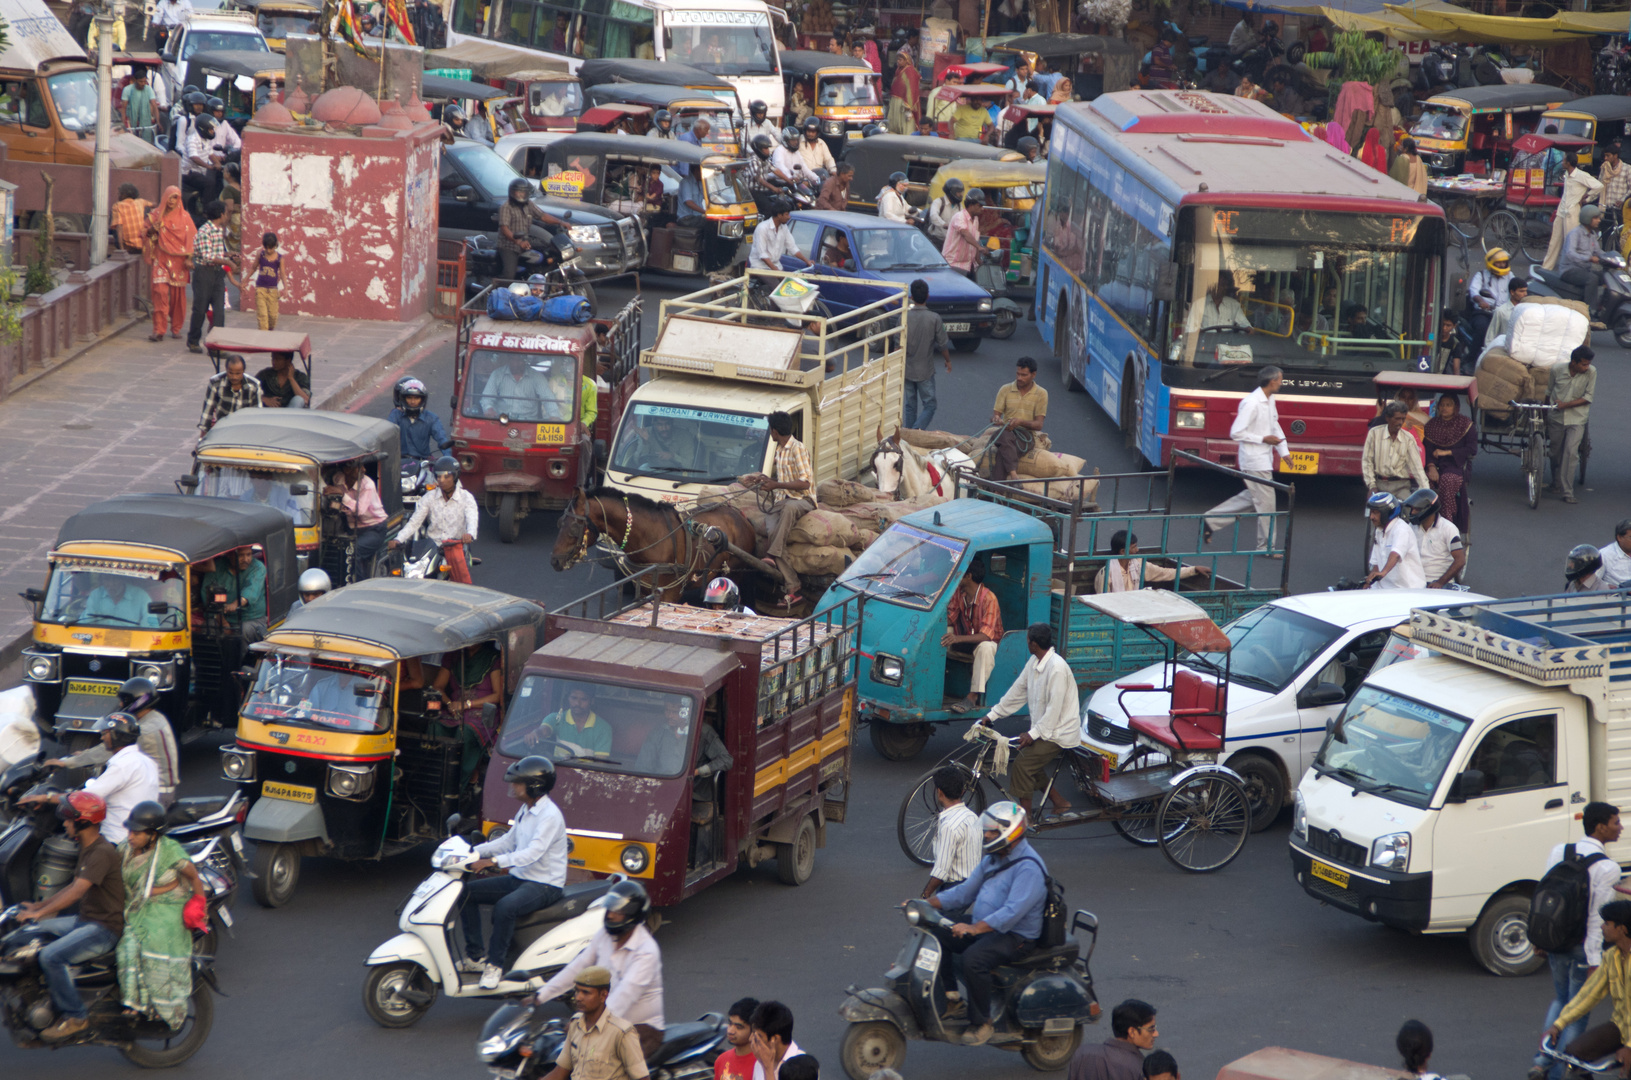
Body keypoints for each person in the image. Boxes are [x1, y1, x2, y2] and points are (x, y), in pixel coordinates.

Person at [924, 801, 1047, 1045]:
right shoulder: (993, 858)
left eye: (992, 831)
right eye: (987, 830)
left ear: (1009, 833)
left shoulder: (1028, 868)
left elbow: (1011, 913)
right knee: (936, 930)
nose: (986, 835)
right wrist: (928, 904)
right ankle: (952, 999)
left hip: (1016, 936)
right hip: (987, 926)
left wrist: (973, 928)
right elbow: (964, 892)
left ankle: (982, 1023)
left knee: (974, 959)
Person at [13, 792, 125, 1042]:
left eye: (68, 820)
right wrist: (38, 908)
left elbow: (77, 892)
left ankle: (77, 1017)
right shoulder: (88, 848)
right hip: (86, 919)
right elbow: (71, 886)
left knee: (50, 956)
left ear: (82, 822)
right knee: (32, 933)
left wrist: (40, 912)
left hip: (103, 929)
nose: (64, 824)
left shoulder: (101, 853)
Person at [1529, 802, 1624, 1080]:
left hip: (1556, 941)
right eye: (1616, 822)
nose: (1621, 827)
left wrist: (1540, 937)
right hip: (1583, 949)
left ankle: (1540, 1062)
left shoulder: (1559, 851)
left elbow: (1544, 897)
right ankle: (1560, 1070)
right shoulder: (1608, 868)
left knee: (1560, 1001)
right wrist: (1595, 960)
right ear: (1600, 826)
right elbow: (1599, 919)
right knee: (1578, 1009)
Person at [461, 756, 567, 989]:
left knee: (505, 907)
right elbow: (509, 841)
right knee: (464, 892)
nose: (514, 786)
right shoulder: (526, 809)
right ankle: (475, 957)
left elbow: (532, 853)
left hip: (544, 885)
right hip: (521, 879)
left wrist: (492, 862)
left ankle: (495, 966)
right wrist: (470, 852)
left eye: (518, 782)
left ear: (534, 786)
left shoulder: (550, 816)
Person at [532, 881, 665, 1056]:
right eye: (609, 909)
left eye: (617, 911)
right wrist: (540, 996)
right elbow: (577, 968)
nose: (609, 915)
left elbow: (624, 995)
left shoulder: (646, 952)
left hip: (641, 1029)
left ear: (631, 915)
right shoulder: (605, 935)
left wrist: (585, 1021)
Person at [115, 801, 207, 1030]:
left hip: (168, 908)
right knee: (126, 945)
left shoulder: (170, 852)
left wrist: (199, 904)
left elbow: (194, 878)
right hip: (137, 907)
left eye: (136, 833)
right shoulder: (123, 850)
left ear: (153, 835)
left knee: (152, 941)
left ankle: (161, 1005)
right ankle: (135, 1002)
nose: (131, 837)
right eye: (130, 831)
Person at [978, 622, 1078, 818]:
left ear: (1033, 644)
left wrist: (1032, 734)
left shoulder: (1057, 668)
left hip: (1059, 732)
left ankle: (1026, 818)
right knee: (1030, 761)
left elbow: (1053, 711)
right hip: (1044, 728)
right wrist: (991, 715)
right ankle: (1060, 802)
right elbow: (1017, 692)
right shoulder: (1034, 663)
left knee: (1023, 764)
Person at [23, 713, 161, 844]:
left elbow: (85, 798)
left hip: (116, 837)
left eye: (105, 734)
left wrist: (45, 798)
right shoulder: (146, 761)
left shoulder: (122, 765)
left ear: (116, 736)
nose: (102, 738)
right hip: (135, 833)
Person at [46, 677, 179, 803]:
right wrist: (85, 754)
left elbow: (105, 751)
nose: (121, 704)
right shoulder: (154, 718)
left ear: (138, 701)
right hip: (149, 786)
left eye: (124, 700)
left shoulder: (144, 730)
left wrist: (65, 762)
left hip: (156, 794)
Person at [1203, 366, 1288, 552]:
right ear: (1272, 381)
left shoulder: (1269, 400)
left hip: (1263, 459)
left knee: (1255, 498)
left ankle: (1211, 520)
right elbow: (1236, 432)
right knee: (1267, 505)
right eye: (1280, 379)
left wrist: (1284, 452)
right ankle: (1266, 547)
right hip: (1254, 460)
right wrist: (1262, 439)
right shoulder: (1252, 403)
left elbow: (1275, 425)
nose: (1282, 382)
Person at [1547, 899, 1631, 1071]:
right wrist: (1559, 1024)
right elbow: (1588, 994)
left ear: (1622, 929)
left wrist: (1629, 1047)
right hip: (1622, 1025)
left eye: (1607, 923)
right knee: (1574, 1054)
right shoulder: (1611, 957)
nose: (1602, 927)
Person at [740, 411, 813, 607]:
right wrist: (766, 480)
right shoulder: (779, 450)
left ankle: (771, 555)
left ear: (774, 430)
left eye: (770, 429)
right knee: (772, 531)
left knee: (789, 509)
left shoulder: (797, 449)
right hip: (782, 501)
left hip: (802, 500)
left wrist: (776, 486)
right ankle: (793, 586)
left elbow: (805, 483)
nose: (770, 433)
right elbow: (782, 481)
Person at [393, 456, 478, 583]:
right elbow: (414, 522)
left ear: (455, 477)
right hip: (432, 547)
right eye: (438, 476)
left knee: (461, 583)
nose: (441, 480)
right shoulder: (429, 497)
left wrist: (470, 534)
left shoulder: (467, 497)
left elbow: (472, 519)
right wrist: (398, 539)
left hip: (455, 546)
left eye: (446, 476)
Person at [940, 557, 1003, 715]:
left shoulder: (990, 599)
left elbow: (986, 635)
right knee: (943, 632)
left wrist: (957, 639)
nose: (957, 575)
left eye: (960, 572)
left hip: (991, 644)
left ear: (968, 576)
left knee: (985, 648)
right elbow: (951, 618)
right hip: (968, 639)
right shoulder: (959, 593)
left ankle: (972, 696)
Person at [921, 765, 982, 897]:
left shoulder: (949, 826)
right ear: (962, 791)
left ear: (940, 792)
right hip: (972, 884)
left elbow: (941, 871)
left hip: (954, 889)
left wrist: (924, 896)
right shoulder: (973, 817)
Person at [1548, 345, 1595, 504]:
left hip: (1577, 419)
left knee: (1570, 452)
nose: (1586, 367)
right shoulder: (1556, 370)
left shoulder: (1591, 372)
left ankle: (1567, 491)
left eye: (1588, 364)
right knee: (1554, 452)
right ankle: (1555, 481)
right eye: (1583, 364)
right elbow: (1549, 392)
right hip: (1556, 418)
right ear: (1573, 362)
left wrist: (1565, 405)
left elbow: (1588, 397)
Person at [145, 186, 194, 341]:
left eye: (176, 198)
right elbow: (144, 233)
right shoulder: (155, 216)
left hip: (179, 261)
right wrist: (152, 230)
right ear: (165, 197)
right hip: (161, 259)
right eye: (170, 197)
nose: (172, 201)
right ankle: (159, 330)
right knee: (160, 292)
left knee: (178, 297)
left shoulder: (185, 217)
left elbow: (192, 238)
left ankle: (176, 327)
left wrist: (189, 258)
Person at [1423, 393, 1476, 535]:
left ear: (1456, 407)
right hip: (1435, 465)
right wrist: (1431, 467)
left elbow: (1472, 449)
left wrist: (1447, 452)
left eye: (1449, 405)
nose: (1445, 408)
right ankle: (1426, 519)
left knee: (1447, 480)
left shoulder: (1465, 424)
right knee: (1424, 483)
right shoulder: (1432, 425)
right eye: (1442, 405)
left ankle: (1447, 523)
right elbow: (1427, 450)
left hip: (1456, 466)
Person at [326, 459, 388, 580]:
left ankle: (358, 585)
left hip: (374, 529)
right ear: (347, 470)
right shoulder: (338, 479)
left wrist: (343, 496)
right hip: (352, 528)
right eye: (358, 467)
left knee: (355, 551)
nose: (364, 470)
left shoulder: (367, 485)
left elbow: (360, 510)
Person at [1068, 1000, 1159, 1080]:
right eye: (1151, 1029)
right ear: (1132, 1032)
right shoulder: (1138, 1068)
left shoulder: (1082, 1053)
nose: (1156, 1034)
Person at [903, 279, 950, 430]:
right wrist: (947, 361)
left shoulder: (903, 318)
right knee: (930, 405)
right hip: (925, 371)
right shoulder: (934, 318)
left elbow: (898, 346)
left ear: (911, 297)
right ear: (928, 296)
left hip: (907, 369)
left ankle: (908, 436)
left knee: (910, 406)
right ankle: (915, 432)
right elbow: (943, 344)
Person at [185, 199, 231, 353]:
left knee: (219, 310)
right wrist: (228, 262)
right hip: (204, 273)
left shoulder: (218, 230)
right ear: (220, 214)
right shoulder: (205, 231)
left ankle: (216, 345)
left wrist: (229, 255)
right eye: (226, 212)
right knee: (200, 308)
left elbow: (216, 252)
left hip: (217, 274)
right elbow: (207, 257)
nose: (227, 216)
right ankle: (193, 340)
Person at [1544, 153, 1603, 271]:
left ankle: (1570, 269)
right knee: (1554, 242)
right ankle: (1546, 268)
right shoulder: (1567, 174)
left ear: (1568, 163)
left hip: (1572, 211)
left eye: (1564, 160)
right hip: (1562, 210)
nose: (1562, 162)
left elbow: (1599, 186)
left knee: (1570, 242)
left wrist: (1587, 198)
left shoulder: (1581, 175)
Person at [1095, 530, 1204, 594]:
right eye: (1134, 547)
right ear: (1123, 551)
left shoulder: (1138, 564)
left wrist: (1193, 570)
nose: (1137, 550)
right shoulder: (1105, 574)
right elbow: (1102, 602)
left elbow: (1164, 573)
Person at [1362, 402, 1429, 499]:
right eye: (1397, 419)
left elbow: (1416, 467)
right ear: (1387, 418)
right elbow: (1367, 462)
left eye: (1403, 419)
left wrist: (1425, 490)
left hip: (1401, 487)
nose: (1400, 422)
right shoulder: (1374, 433)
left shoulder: (1408, 438)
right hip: (1380, 485)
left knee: (1408, 511)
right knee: (1375, 511)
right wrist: (1372, 486)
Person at [498, 177, 561, 281]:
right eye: (519, 192)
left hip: (525, 243)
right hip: (508, 246)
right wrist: (518, 242)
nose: (522, 195)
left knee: (547, 252)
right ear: (512, 193)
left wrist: (560, 222)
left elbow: (543, 216)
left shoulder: (528, 204)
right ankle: (498, 292)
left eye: (524, 192)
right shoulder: (506, 207)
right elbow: (504, 229)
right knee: (509, 275)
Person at [1401, 489, 1466, 588]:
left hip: (1439, 582)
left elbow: (1460, 560)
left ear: (1428, 510)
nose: (1412, 512)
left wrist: (1440, 582)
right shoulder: (1411, 527)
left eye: (1417, 509)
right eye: (1412, 509)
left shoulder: (1448, 529)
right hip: (1415, 581)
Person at [202, 546, 269, 640]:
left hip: (250, 618)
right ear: (229, 555)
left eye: (249, 555)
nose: (246, 559)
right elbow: (207, 594)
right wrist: (223, 621)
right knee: (208, 628)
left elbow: (251, 591)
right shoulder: (217, 567)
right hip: (220, 616)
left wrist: (235, 604)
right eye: (241, 555)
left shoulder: (258, 567)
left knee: (244, 631)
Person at [1364, 491, 1425, 589]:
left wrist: (1383, 572)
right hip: (1384, 589)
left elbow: (1396, 554)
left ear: (1386, 513)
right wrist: (1369, 581)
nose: (1371, 517)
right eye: (1371, 512)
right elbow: (1376, 563)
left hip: (1408, 590)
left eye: (1375, 513)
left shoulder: (1401, 529)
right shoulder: (1379, 530)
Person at [388, 377, 452, 463]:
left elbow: (442, 440)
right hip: (400, 464)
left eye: (416, 398)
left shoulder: (431, 418)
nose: (413, 401)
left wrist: (448, 460)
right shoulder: (396, 415)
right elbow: (387, 435)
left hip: (423, 464)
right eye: (409, 398)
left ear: (422, 399)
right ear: (403, 399)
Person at [1563, 206, 1609, 327]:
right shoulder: (1575, 234)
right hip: (1570, 269)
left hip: (1584, 269)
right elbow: (1570, 253)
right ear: (1588, 218)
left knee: (1606, 277)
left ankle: (1602, 308)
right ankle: (1590, 311)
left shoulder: (1592, 235)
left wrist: (1612, 258)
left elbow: (1598, 252)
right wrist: (1588, 258)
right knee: (1592, 279)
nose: (1599, 220)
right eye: (1595, 218)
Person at [538, 685, 613, 757]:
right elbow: (543, 731)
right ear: (568, 698)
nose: (577, 703)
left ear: (592, 701)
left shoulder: (604, 728)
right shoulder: (556, 718)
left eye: (584, 699)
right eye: (574, 698)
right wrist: (535, 734)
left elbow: (600, 763)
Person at [197, 353, 262, 434]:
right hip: (222, 427)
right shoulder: (216, 382)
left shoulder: (254, 385)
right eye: (231, 373)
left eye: (238, 373)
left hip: (244, 429)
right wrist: (203, 433)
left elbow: (257, 412)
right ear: (226, 370)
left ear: (243, 371)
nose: (234, 377)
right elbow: (208, 409)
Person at [748, 199, 811, 273]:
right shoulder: (762, 228)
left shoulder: (784, 228)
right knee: (777, 285)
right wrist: (775, 271)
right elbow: (762, 254)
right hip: (760, 267)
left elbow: (792, 247)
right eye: (786, 214)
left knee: (789, 283)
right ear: (779, 215)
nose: (789, 217)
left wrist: (807, 261)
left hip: (776, 266)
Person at [1466, 248, 1512, 343]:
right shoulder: (1481, 275)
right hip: (1485, 313)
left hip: (1504, 313)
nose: (1502, 265)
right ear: (1491, 262)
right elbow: (1474, 291)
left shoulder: (1510, 276)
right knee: (1481, 330)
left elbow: (1516, 288)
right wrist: (1481, 301)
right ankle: (1472, 357)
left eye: (1504, 262)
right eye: (1499, 263)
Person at [749, 1001, 804, 1080]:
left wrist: (767, 1068)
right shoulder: (759, 1063)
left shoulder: (803, 1065)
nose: (751, 1039)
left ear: (774, 1039)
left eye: (758, 1036)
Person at [717, 998, 762, 1080]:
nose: (730, 1031)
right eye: (730, 1024)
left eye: (739, 1027)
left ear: (754, 1030)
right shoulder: (721, 1060)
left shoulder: (762, 1064)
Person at [943, 187, 982, 276]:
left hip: (968, 265)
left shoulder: (975, 220)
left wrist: (978, 259)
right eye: (979, 206)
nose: (982, 209)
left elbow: (975, 239)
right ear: (971, 205)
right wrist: (979, 247)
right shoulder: (959, 216)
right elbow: (965, 233)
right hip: (954, 264)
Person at [1484, 276, 1529, 350]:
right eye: (1521, 291)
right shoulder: (1501, 311)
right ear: (1512, 292)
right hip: (1504, 351)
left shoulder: (1527, 310)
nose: (1525, 294)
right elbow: (1490, 336)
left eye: (1526, 291)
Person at [252, 231, 283, 330]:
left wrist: (286, 288)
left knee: (273, 317)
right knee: (263, 316)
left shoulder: (280, 258)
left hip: (273, 291)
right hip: (260, 289)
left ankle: (268, 334)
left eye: (271, 247)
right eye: (267, 248)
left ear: (275, 245)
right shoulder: (260, 255)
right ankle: (263, 339)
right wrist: (245, 279)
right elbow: (253, 267)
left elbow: (283, 273)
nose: (269, 250)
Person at [111, 183, 150, 255]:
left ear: (123, 194)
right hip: (142, 245)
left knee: (114, 227)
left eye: (119, 193)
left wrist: (122, 250)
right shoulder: (140, 202)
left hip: (129, 247)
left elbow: (119, 227)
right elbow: (154, 204)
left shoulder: (117, 206)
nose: (118, 195)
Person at [888, 48, 920, 134]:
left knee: (906, 125)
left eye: (900, 59)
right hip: (896, 101)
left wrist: (908, 106)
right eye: (897, 59)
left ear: (907, 60)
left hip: (904, 103)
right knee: (895, 125)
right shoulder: (899, 70)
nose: (898, 61)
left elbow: (911, 89)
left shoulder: (910, 71)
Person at [927, 178, 964, 246]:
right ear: (952, 192)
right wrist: (944, 224)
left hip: (951, 242)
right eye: (959, 193)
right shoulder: (938, 202)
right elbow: (933, 216)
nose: (961, 195)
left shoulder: (959, 206)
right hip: (936, 241)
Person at [1603, 144, 1631, 234]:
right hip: (1607, 208)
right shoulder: (1604, 168)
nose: (1605, 158)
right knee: (1606, 236)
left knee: (1620, 236)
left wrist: (1622, 199)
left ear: (1615, 156)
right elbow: (1599, 186)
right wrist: (1588, 198)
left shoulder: (1627, 169)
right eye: (1605, 156)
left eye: (1608, 155)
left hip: (1620, 209)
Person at [1600, 520, 1631, 590]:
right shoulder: (1604, 555)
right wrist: (1606, 586)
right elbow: (1593, 582)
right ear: (1619, 537)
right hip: (1617, 597)